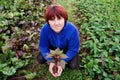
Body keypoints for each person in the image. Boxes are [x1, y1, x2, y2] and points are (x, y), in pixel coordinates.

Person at [37, 4, 80, 77]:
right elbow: (43, 46)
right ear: (48, 21)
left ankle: (67, 59)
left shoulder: (72, 30)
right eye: (52, 19)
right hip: (52, 48)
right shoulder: (45, 29)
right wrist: (51, 61)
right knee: (40, 59)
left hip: (66, 49)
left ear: (64, 19)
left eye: (59, 19)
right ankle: (53, 60)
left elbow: (73, 49)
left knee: (73, 65)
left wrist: (62, 62)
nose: (56, 23)